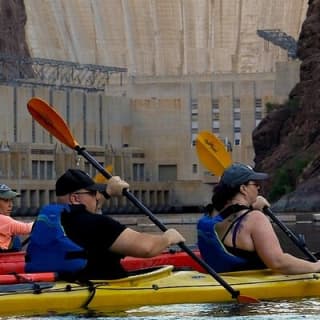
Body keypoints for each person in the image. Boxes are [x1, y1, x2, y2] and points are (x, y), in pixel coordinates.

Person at [26, 169, 185, 280]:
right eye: (93, 193)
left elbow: (87, 206)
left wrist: (109, 191)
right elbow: (147, 248)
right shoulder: (97, 224)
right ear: (75, 198)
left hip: (62, 285)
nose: (97, 197)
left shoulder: (48, 221)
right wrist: (168, 238)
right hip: (100, 291)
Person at [197, 163, 320, 275]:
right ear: (243, 189)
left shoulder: (214, 217)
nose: (258, 188)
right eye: (255, 184)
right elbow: (278, 262)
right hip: (255, 290)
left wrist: (251, 204)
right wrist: (315, 266)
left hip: (225, 279)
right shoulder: (255, 219)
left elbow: (233, 212)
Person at [0, 184, 33, 252]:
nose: (10, 205)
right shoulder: (4, 220)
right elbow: (28, 228)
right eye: (6, 201)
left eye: (11, 201)